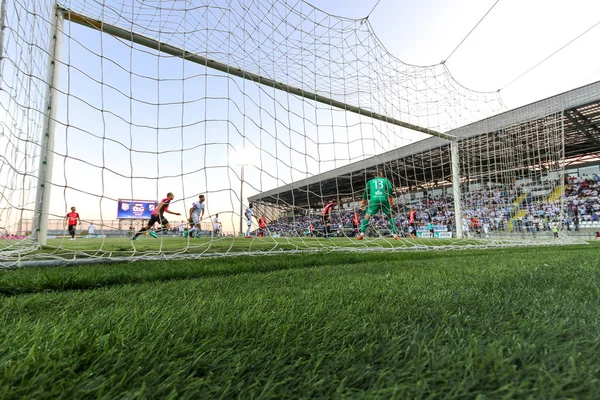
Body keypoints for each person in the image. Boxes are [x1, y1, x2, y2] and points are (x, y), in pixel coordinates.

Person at [357, 169, 399, 241]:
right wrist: (391, 201)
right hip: (384, 199)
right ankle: (395, 234)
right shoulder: (385, 180)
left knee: (367, 216)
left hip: (374, 200)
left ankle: (362, 234)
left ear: (374, 174)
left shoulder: (370, 181)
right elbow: (390, 188)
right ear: (381, 173)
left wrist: (363, 202)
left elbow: (365, 191)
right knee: (390, 216)